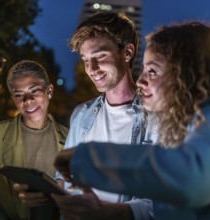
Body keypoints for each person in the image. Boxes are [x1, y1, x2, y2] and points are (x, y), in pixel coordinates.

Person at [53, 21, 210, 220]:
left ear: (185, 74)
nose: (140, 80)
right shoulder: (195, 122)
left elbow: (190, 180)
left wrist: (89, 159)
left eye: (153, 71)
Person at [14, 12, 155, 220]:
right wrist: (45, 191)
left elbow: (161, 204)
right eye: (86, 60)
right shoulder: (81, 114)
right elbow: (67, 179)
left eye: (100, 57)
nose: (91, 69)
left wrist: (106, 212)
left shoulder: (156, 118)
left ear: (127, 53)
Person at [0, 60, 68, 219]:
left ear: (49, 90)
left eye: (34, 91)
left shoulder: (72, 138)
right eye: (19, 95)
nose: (27, 100)